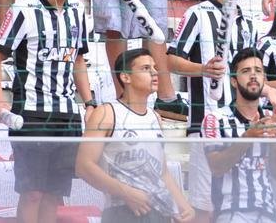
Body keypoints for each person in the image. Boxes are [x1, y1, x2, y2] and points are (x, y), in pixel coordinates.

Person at [0, 0, 95, 223]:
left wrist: (90, 102)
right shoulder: (24, 10)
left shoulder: (78, 11)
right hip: (31, 115)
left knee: (53, 194)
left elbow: (79, 58)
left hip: (68, 116)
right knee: (32, 192)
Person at [75, 48, 193, 223]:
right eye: (146, 68)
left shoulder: (155, 117)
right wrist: (126, 192)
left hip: (160, 211)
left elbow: (162, 171)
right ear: (125, 77)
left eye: (154, 67)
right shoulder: (106, 113)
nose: (154, 72)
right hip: (123, 211)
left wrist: (183, 205)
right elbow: (84, 167)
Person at [170, 0, 258, 136]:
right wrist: (203, 69)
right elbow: (171, 61)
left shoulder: (249, 23)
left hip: (243, 126)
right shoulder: (197, 14)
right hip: (204, 124)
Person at [205, 49, 276, 222]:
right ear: (234, 81)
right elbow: (217, 167)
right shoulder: (215, 119)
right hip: (230, 212)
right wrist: (248, 137)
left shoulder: (271, 119)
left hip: (268, 212)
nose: (253, 75)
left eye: (258, 71)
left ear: (264, 79)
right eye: (246, 71)